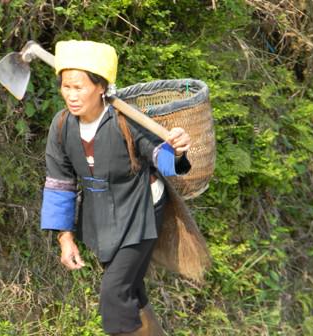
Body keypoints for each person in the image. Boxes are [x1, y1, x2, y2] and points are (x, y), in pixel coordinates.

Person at [40, 40, 191, 335]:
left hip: (140, 208)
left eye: (79, 87)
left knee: (114, 291)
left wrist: (180, 149)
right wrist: (65, 238)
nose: (71, 96)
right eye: (66, 87)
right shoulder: (61, 126)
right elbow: (60, 183)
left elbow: (163, 158)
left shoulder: (127, 121)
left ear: (100, 86)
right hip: (101, 214)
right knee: (130, 290)